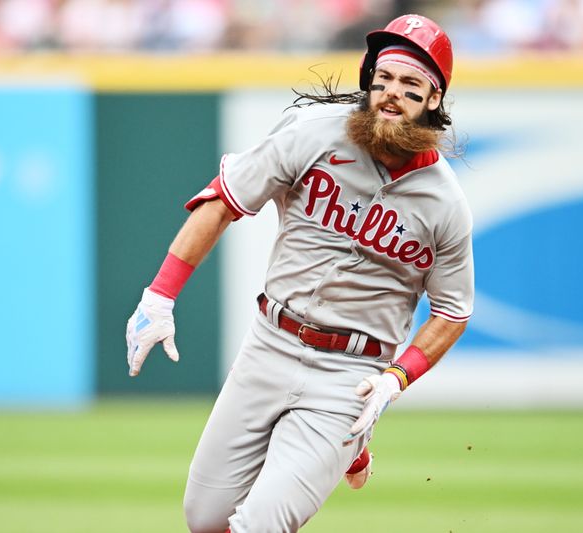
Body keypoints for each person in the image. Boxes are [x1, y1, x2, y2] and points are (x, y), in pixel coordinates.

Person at [125, 13, 474, 533]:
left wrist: (395, 380)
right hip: (269, 343)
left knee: (260, 526)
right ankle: (347, 452)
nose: (391, 93)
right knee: (205, 519)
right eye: (382, 79)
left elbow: (452, 310)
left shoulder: (444, 201)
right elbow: (223, 200)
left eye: (409, 84)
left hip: (349, 377)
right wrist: (159, 296)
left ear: (434, 99)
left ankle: (346, 440)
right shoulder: (314, 133)